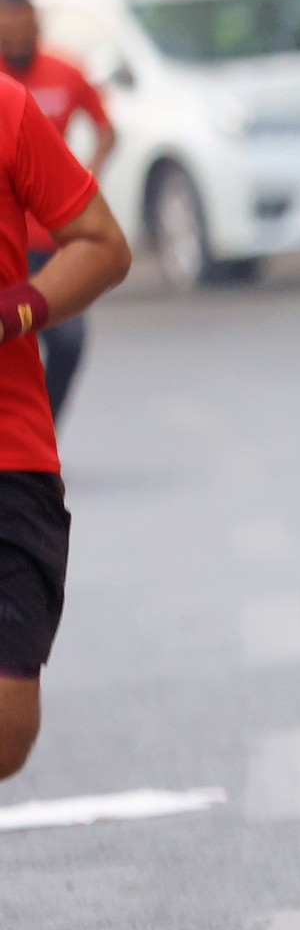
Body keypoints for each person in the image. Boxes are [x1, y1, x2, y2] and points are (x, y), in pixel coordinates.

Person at [0, 64, 134, 781]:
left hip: (8, 452)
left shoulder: (8, 108)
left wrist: (14, 311)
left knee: (9, 725)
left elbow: (103, 244)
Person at [0, 0, 114, 416]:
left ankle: (44, 426)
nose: (16, 40)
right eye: (6, 33)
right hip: (11, 245)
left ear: (37, 25)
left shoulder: (65, 72)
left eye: (23, 30)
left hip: (55, 239)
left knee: (68, 342)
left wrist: (86, 178)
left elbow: (106, 128)